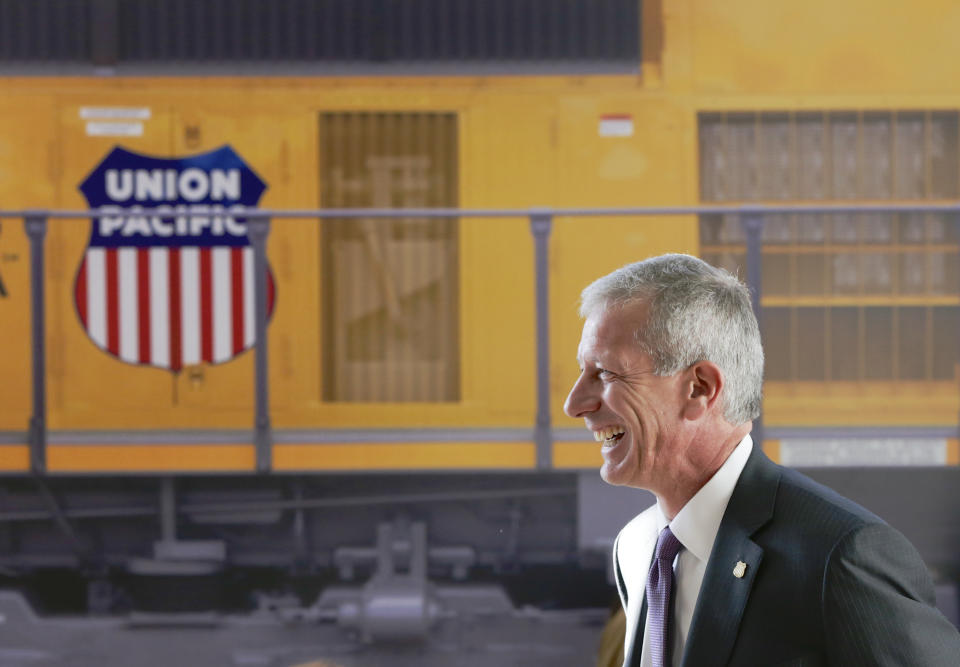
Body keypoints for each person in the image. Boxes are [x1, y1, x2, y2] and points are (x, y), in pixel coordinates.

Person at [564, 254, 960, 666]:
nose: (574, 404)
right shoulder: (635, 546)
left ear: (700, 388)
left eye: (607, 374)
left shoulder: (840, 558)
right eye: (582, 371)